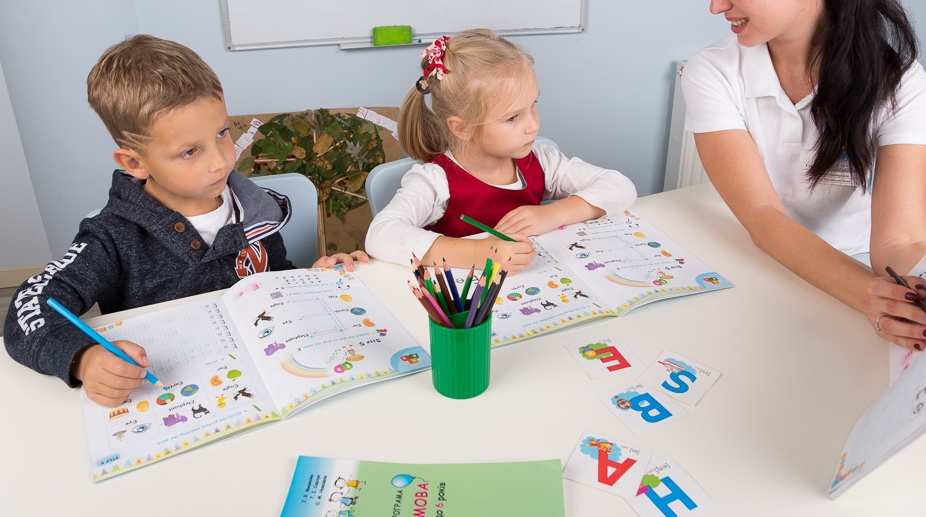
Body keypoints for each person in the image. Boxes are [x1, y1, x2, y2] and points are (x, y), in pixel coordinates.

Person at [4, 34, 367, 406]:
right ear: (135, 163)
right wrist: (83, 358)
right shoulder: (112, 236)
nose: (221, 161)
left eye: (222, 133)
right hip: (174, 399)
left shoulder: (254, 207)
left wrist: (311, 280)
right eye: (190, 151)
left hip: (273, 382)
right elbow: (29, 308)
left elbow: (273, 277)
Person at [683, 0, 926, 351]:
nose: (716, 3)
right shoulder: (710, 72)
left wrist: (920, 295)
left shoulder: (901, 84)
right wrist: (870, 294)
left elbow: (902, 238)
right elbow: (763, 217)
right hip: (755, 257)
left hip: (854, 268)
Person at [365, 28, 636, 274]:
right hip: (466, 307)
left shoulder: (543, 161)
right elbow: (381, 235)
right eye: (512, 118)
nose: (533, 126)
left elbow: (620, 187)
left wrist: (552, 214)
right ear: (462, 128)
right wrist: (482, 253)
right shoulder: (435, 181)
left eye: (534, 104)